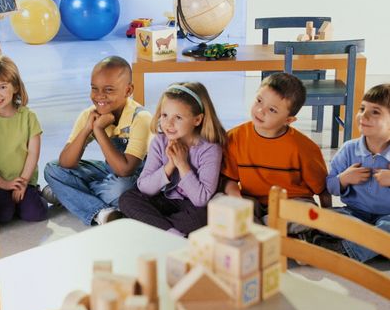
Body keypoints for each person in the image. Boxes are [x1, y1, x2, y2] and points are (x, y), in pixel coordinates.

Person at [44, 56, 152, 225]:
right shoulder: (89, 114)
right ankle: (102, 211)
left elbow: (125, 170)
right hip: (109, 172)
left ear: (128, 90)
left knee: (120, 191)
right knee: (52, 169)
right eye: (94, 88)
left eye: (109, 90)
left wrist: (99, 130)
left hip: (136, 178)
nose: (99, 96)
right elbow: (66, 162)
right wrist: (88, 128)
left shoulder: (141, 118)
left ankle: (68, 194)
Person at [221, 73, 331, 228]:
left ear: (288, 120)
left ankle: (261, 230)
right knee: (221, 203)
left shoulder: (305, 148)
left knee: (308, 215)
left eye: (272, 110)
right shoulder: (234, 137)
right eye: (259, 101)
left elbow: (322, 189)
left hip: (293, 202)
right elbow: (228, 179)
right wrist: (236, 199)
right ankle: (266, 231)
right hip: (251, 200)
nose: (260, 110)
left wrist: (328, 220)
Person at [119, 82, 227, 235]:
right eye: (164, 115)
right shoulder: (160, 141)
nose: (168, 123)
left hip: (192, 206)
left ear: (197, 120)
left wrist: (182, 164)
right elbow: (144, 187)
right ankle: (173, 234)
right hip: (166, 199)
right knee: (127, 198)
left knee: (202, 218)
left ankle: (154, 226)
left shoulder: (210, 148)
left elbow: (201, 199)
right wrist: (170, 165)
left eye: (178, 117)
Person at [318, 84, 390, 261]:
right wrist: (343, 179)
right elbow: (330, 185)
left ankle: (348, 250)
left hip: (388, 218)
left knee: (386, 227)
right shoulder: (349, 149)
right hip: (354, 213)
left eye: (375, 112)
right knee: (326, 216)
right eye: (362, 108)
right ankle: (375, 245)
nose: (363, 115)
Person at [0, 52, 48, 223]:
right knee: (1, 215)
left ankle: (40, 193)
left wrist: (22, 183)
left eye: (2, 86)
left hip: (24, 179)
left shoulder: (29, 118)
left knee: (35, 214)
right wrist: (3, 184)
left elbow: (33, 154)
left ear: (15, 87)